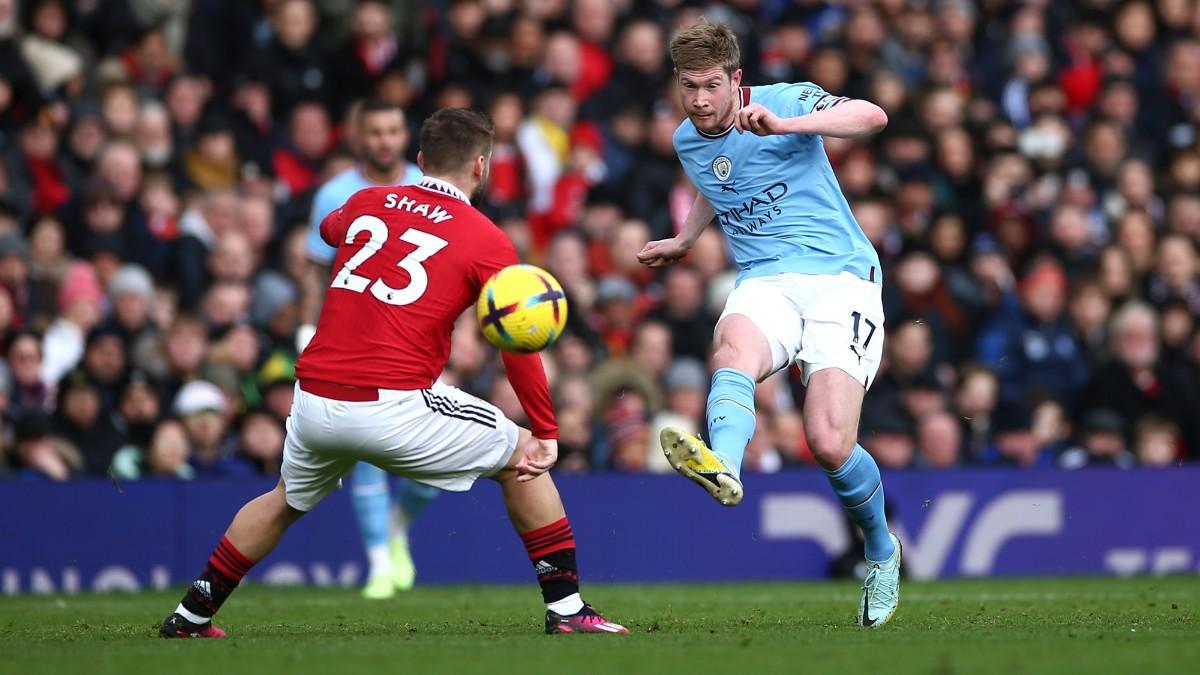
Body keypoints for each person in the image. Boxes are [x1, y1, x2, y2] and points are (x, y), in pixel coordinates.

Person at [158, 108, 625, 638]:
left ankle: (191, 615)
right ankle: (566, 609)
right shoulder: (487, 239)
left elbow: (329, 229)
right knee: (524, 456)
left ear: (420, 159)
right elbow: (516, 346)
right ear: (482, 167)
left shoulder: (364, 200)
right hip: (390, 404)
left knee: (285, 499)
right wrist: (545, 428)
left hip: (311, 398)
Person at [636, 20, 900, 628]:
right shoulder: (687, 139)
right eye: (687, 87)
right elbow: (718, 182)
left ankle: (882, 552)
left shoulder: (784, 101)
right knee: (732, 349)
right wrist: (686, 237)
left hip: (840, 278)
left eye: (709, 87)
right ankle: (724, 463)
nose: (698, 101)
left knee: (830, 443)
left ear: (736, 80)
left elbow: (873, 117)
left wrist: (790, 127)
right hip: (765, 278)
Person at [299, 98, 432, 600]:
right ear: (358, 136)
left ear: (406, 137)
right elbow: (315, 268)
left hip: (418, 342)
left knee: (432, 464)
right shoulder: (334, 193)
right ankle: (378, 563)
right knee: (369, 453)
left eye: (392, 130)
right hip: (353, 343)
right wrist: (306, 330)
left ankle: (397, 527)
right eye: (374, 131)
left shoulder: (426, 191)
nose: (383, 140)